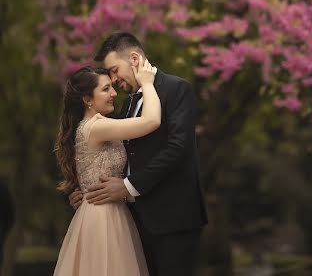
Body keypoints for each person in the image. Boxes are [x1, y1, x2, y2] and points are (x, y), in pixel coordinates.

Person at [70, 32, 208, 276]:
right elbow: (123, 155)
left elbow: (178, 148)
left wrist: (128, 186)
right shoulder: (128, 103)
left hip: (174, 220)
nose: (113, 80)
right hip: (134, 221)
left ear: (134, 58)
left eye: (114, 70)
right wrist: (90, 188)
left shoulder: (177, 90)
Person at [54, 60, 161, 276]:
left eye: (112, 86)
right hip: (102, 216)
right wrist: (148, 84)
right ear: (87, 100)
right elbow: (151, 121)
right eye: (105, 89)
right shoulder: (96, 127)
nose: (114, 93)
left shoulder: (98, 125)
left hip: (109, 211)